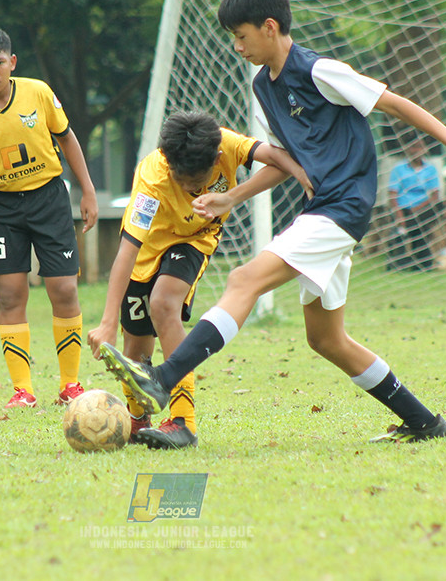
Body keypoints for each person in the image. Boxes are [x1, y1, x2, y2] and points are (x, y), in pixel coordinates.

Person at [97, 0, 446, 443]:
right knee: (326, 339)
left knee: (242, 280)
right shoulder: (262, 85)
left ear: (269, 27)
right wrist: (232, 197)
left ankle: (163, 378)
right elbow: (286, 160)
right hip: (325, 211)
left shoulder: (319, 71)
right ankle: (424, 422)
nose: (237, 47)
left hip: (342, 207)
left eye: (241, 36)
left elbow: (393, 103)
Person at [86, 110, 310, 449]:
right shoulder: (152, 177)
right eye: (183, 180)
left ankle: (182, 422)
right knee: (135, 345)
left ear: (217, 157)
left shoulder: (228, 145)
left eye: (198, 180)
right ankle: (137, 420)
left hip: (193, 240)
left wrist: (291, 179)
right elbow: (127, 251)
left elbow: (282, 160)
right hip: (146, 250)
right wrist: (106, 324)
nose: (191, 187)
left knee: (164, 304)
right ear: (167, 161)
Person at [0, 27, 98, 408]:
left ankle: (70, 386)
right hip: (1, 207)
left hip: (50, 200)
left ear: (12, 62)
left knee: (63, 290)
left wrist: (88, 190)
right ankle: (23, 391)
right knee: (10, 294)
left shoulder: (38, 93)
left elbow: (67, 138)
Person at [387, 137, 440, 271]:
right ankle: (402, 262)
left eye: (419, 147)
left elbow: (435, 195)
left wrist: (418, 208)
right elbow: (392, 194)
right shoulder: (399, 169)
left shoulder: (430, 169)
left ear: (424, 150)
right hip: (403, 207)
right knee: (406, 231)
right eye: (413, 147)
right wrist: (399, 214)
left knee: (419, 230)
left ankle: (420, 263)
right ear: (407, 150)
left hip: (422, 208)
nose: (417, 151)